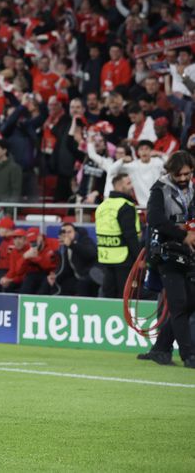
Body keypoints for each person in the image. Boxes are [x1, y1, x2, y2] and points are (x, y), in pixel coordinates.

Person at [139, 151, 195, 368]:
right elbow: (154, 219)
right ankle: (189, 356)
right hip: (166, 252)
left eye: (187, 174)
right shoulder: (159, 189)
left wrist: (191, 230)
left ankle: (160, 349)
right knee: (179, 304)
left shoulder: (192, 188)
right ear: (170, 172)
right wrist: (183, 234)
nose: (183, 178)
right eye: (178, 175)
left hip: (187, 252)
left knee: (189, 303)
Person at [95, 173, 141, 298]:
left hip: (106, 258)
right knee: (125, 296)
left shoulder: (102, 206)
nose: (131, 186)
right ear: (120, 186)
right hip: (124, 258)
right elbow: (130, 236)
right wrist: (139, 259)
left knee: (109, 296)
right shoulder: (126, 206)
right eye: (128, 183)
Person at [51, 223, 100, 297]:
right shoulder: (65, 248)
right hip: (78, 277)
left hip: (91, 275)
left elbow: (91, 254)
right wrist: (55, 276)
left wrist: (72, 245)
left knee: (82, 284)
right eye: (64, 232)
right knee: (57, 283)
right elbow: (64, 268)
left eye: (69, 232)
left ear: (75, 232)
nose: (67, 235)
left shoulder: (85, 240)